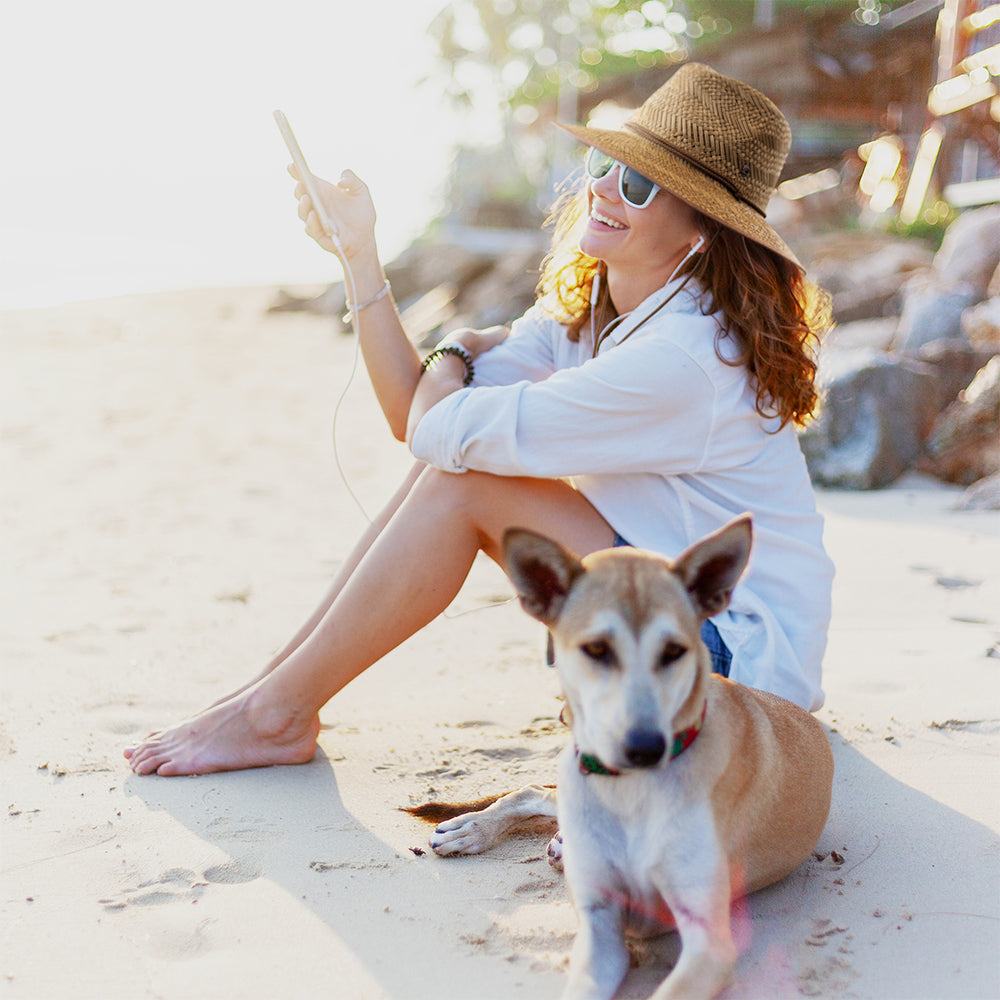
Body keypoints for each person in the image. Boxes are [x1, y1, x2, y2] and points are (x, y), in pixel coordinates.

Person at [125, 62, 834, 777]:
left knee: (461, 484)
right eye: (604, 163)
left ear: (700, 234)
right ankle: (270, 695)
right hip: (653, 600)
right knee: (451, 470)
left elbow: (438, 427)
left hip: (726, 661)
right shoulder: (600, 303)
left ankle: (275, 714)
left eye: (639, 185)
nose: (605, 189)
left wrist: (457, 352)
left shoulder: (681, 359)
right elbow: (416, 416)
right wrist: (360, 256)